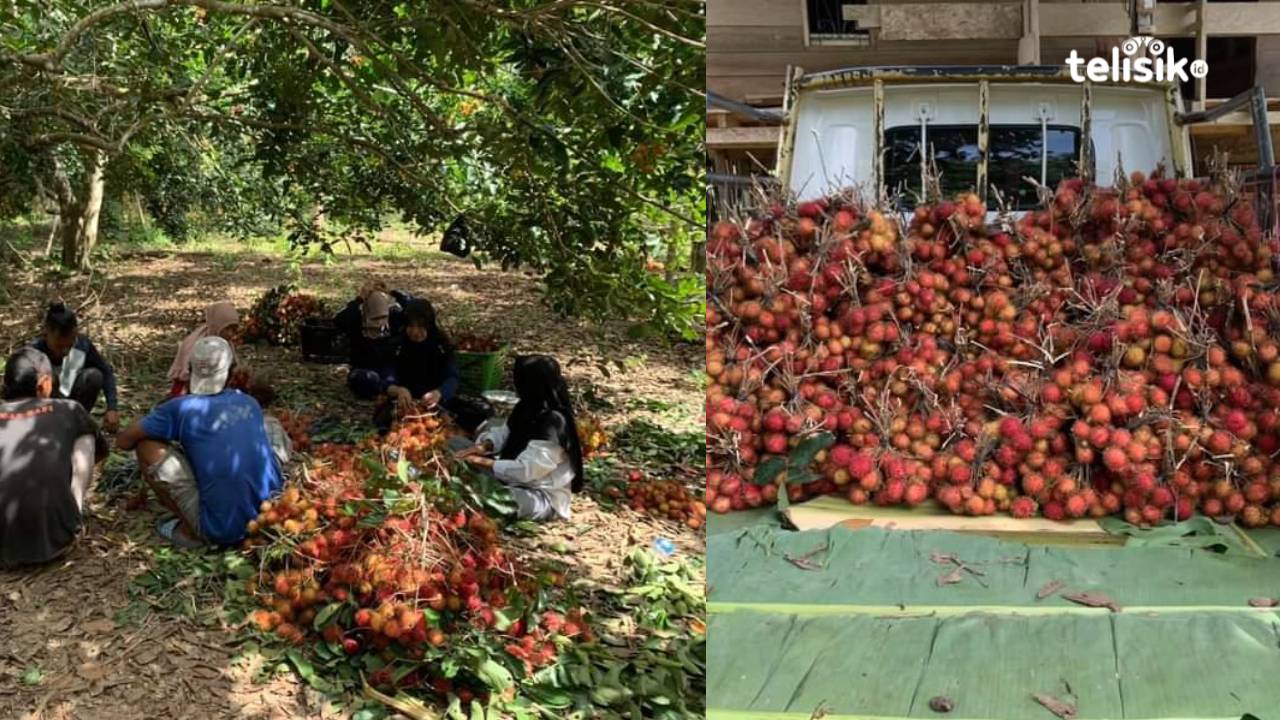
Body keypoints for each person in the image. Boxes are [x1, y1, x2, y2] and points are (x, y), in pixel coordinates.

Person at [116, 336, 284, 548]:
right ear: (231, 372)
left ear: (190, 370)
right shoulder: (248, 402)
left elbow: (123, 441)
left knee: (146, 447)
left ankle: (191, 531)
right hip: (270, 516)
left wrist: (143, 421)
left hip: (221, 531)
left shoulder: (180, 408)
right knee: (270, 423)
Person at [0, 348, 109, 568]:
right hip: (56, 539)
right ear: (45, 383)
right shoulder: (70, 410)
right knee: (85, 435)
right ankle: (73, 515)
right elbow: (100, 455)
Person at [460, 355, 584, 521]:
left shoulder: (554, 423)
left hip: (539, 494)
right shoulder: (526, 406)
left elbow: (526, 471)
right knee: (455, 444)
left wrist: (480, 461)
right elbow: (505, 431)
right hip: (506, 477)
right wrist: (484, 447)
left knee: (489, 499)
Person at [29, 302, 121, 432]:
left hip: (70, 401)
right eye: (60, 346)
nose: (65, 352)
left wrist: (112, 407)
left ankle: (76, 425)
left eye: (70, 345)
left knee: (94, 376)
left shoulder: (82, 345)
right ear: (46, 333)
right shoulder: (32, 353)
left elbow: (106, 372)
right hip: (43, 411)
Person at [377, 298, 461, 426]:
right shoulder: (397, 346)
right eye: (411, 326)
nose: (415, 332)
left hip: (436, 401)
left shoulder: (440, 345)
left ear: (429, 325)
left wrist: (440, 392)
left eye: (420, 327)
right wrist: (398, 390)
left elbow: (452, 376)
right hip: (405, 403)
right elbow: (387, 376)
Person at [333, 280, 412, 399]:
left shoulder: (393, 320)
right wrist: (359, 299)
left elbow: (415, 309)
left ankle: (388, 389)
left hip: (389, 371)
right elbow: (339, 320)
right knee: (364, 378)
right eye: (375, 319)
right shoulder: (356, 323)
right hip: (364, 371)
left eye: (383, 318)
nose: (380, 324)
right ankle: (386, 389)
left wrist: (393, 293)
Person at [167, 301, 240, 398]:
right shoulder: (196, 344)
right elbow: (187, 372)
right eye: (227, 329)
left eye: (234, 330)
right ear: (216, 325)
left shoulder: (225, 343)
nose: (231, 334)